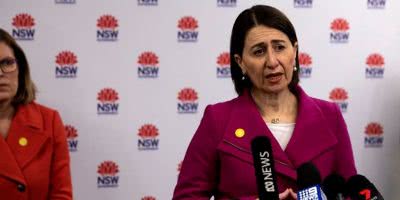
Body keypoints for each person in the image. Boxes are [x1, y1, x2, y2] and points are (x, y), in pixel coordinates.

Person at [173, 5, 356, 200]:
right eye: (259, 51)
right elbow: (187, 196)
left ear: (294, 51)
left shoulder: (330, 116)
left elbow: (351, 191)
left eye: (279, 47)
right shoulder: (218, 119)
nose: (272, 61)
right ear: (240, 61)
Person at [0, 28, 73, 200]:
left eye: (7, 63)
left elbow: (61, 196)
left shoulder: (49, 121)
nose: (1, 73)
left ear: (20, 68)